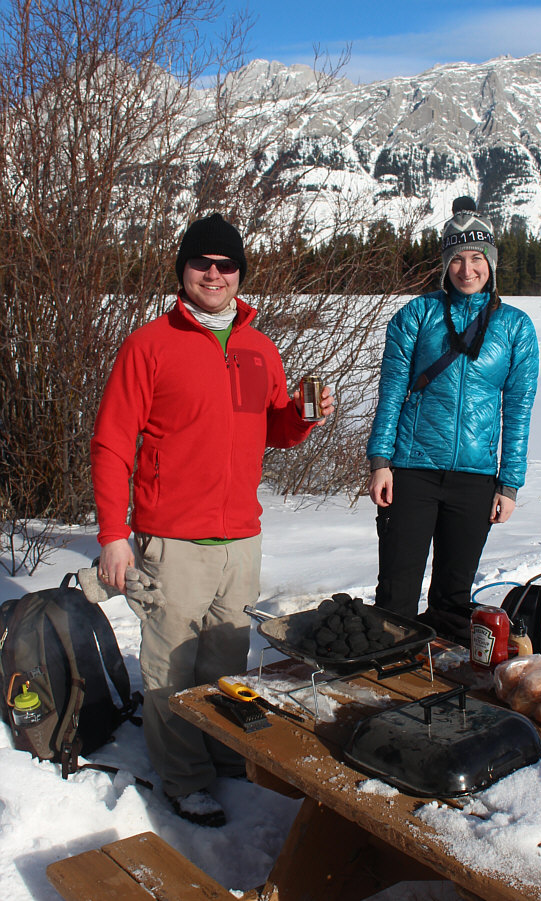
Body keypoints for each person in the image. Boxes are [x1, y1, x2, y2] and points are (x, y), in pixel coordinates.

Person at [91, 213, 334, 826]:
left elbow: (275, 427)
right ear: (184, 270)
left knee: (224, 659)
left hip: (240, 537)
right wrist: (114, 536)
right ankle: (183, 778)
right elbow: (112, 443)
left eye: (227, 266)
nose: (215, 275)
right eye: (203, 263)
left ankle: (225, 755)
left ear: (240, 275)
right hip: (171, 538)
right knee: (171, 664)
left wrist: (305, 417)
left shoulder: (258, 346)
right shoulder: (149, 344)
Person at [366, 197, 538, 633]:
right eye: (457, 259)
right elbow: (390, 395)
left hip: (476, 479)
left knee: (453, 601)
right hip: (411, 470)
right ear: (445, 264)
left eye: (476, 258)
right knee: (396, 594)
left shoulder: (516, 327)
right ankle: (384, 689)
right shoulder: (415, 316)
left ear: (491, 263)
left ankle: (441, 690)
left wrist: (510, 484)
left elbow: (518, 410)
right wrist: (380, 462)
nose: (466, 270)